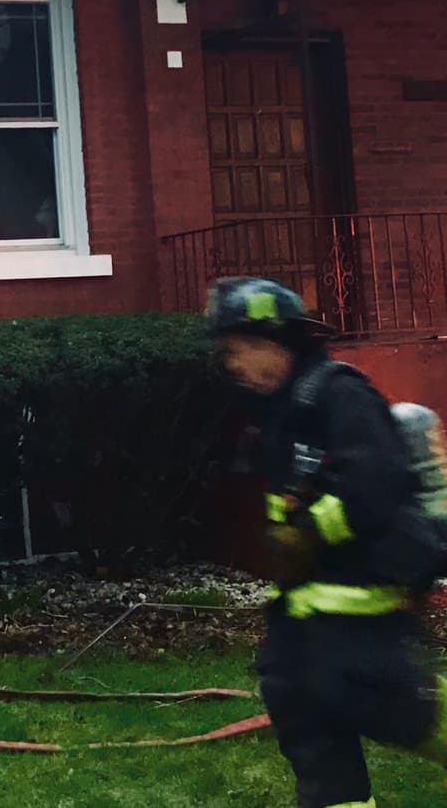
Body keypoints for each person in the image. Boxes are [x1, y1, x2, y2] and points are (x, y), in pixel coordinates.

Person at [207, 276, 447, 808]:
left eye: (240, 349)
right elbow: (287, 497)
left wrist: (311, 534)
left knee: (402, 714)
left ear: (277, 343)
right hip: (303, 623)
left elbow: (376, 483)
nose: (233, 364)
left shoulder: (340, 394)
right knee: (307, 731)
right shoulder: (277, 410)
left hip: (362, 613)